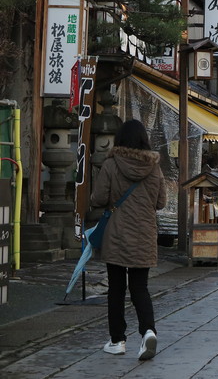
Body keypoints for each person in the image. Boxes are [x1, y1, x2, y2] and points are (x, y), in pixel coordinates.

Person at [89, 119, 166, 360]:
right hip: (144, 234)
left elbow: (98, 198)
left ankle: (117, 340)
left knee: (116, 288)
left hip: (117, 233)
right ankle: (148, 331)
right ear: (144, 139)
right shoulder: (154, 168)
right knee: (139, 287)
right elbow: (161, 202)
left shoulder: (111, 164)